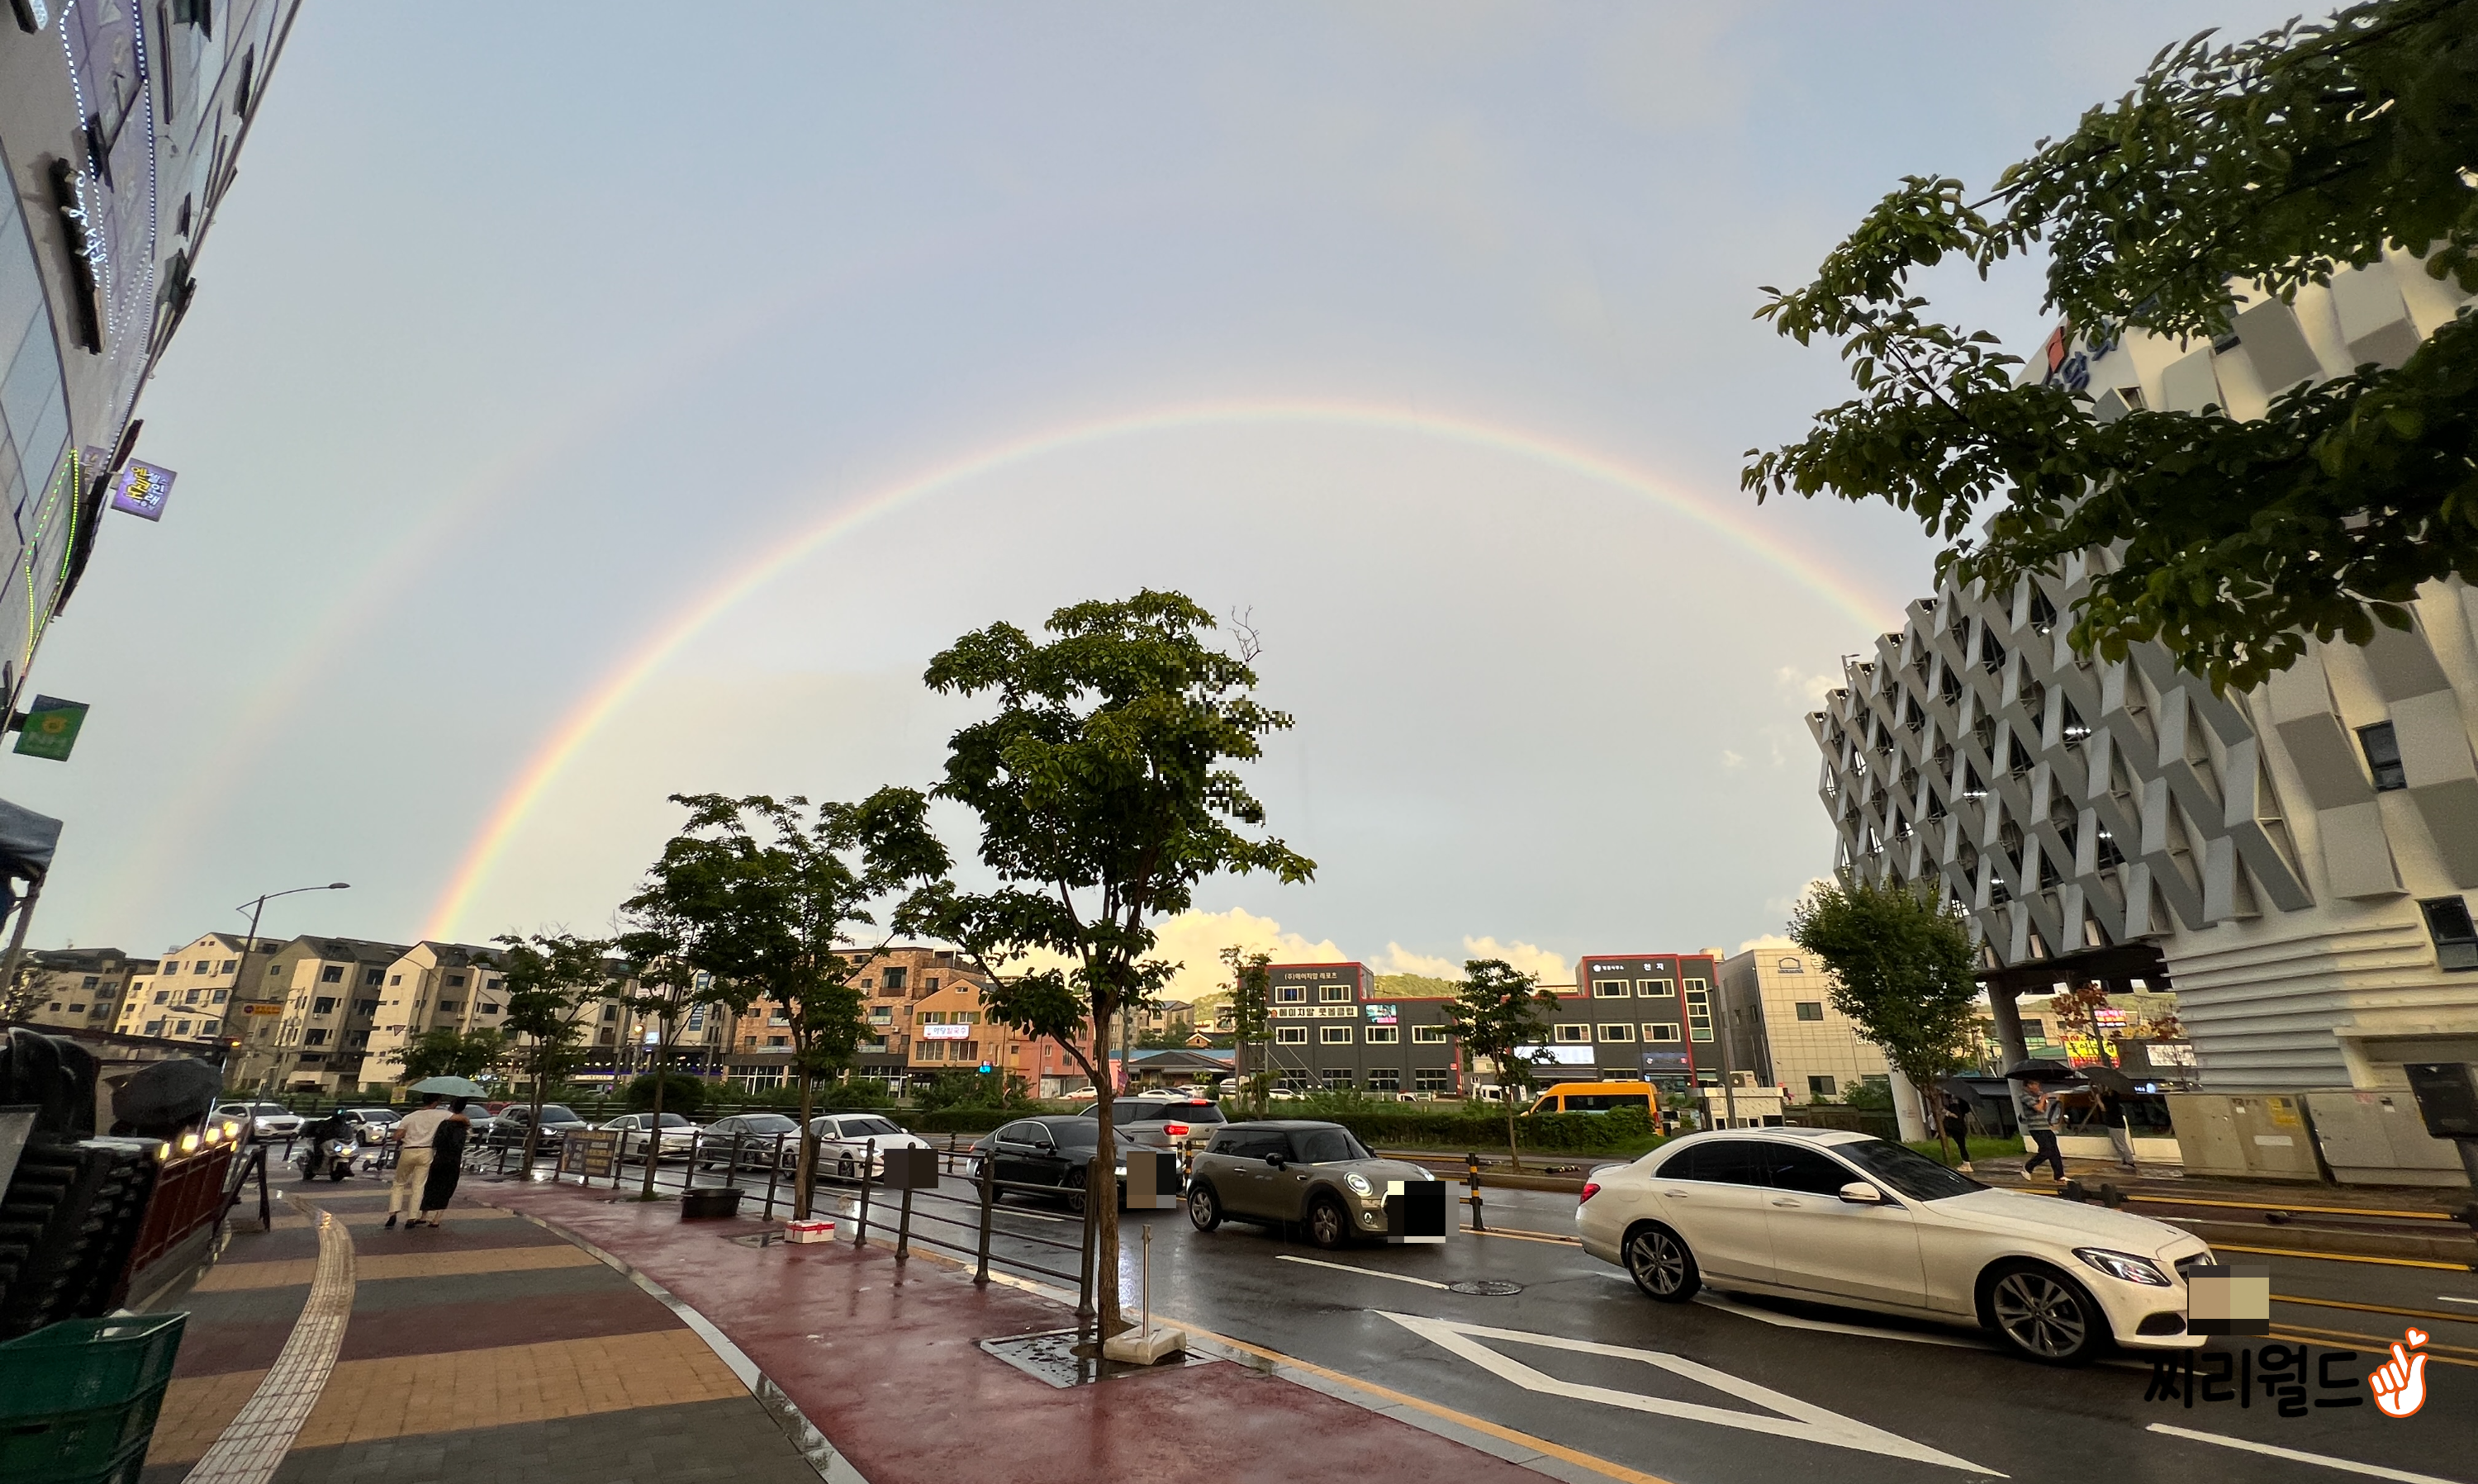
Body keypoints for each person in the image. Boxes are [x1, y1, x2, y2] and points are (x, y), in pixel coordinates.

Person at [387, 1094, 453, 1230]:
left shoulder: (410, 1117)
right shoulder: (441, 1114)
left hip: (408, 1150)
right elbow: (461, 1118)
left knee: (399, 1183)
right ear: (436, 1102)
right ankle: (412, 1218)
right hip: (425, 1151)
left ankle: (393, 1213)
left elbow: (397, 1136)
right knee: (418, 1186)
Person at [414, 1100, 473, 1227]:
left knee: (431, 1185)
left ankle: (424, 1215)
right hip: (454, 1160)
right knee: (447, 1188)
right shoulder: (463, 1127)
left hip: (440, 1158)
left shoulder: (444, 1124)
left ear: (451, 1108)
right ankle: (437, 1218)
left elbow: (436, 1142)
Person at [2020, 1079, 2066, 1181]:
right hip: (2036, 1128)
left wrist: (2045, 1101)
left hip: (2045, 1126)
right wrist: (2042, 1099)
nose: (2038, 1087)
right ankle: (2028, 1167)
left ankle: (2059, 1175)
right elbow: (2039, 1109)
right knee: (2047, 1150)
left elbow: (2044, 1110)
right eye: (2036, 1085)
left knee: (2055, 1151)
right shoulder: (2025, 1096)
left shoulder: (2036, 1096)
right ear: (2029, 1085)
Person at [2096, 1086, 2139, 1172]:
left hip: (2116, 1125)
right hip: (2112, 1124)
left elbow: (2103, 1108)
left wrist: (2098, 1099)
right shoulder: (2107, 1097)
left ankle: (2130, 1162)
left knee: (2121, 1144)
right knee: (2117, 1144)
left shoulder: (2113, 1100)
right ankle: (2124, 1161)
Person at [1939, 1090, 1975, 1173]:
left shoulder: (1954, 1106)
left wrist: (1948, 1113)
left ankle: (1966, 1163)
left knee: (1961, 1146)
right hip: (1961, 1127)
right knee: (1962, 1146)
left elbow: (1954, 1115)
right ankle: (1966, 1162)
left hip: (1956, 1128)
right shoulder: (1962, 1105)